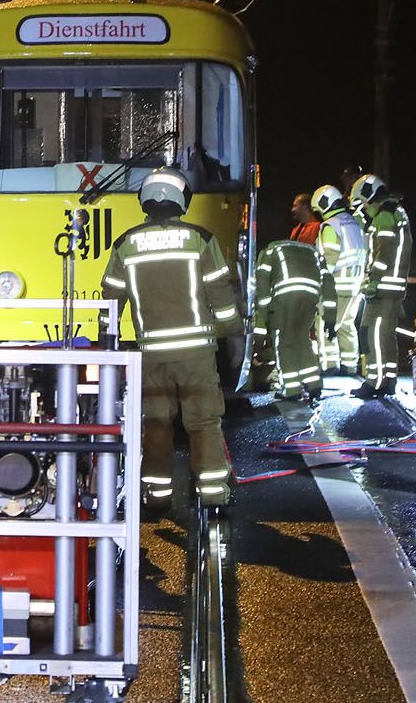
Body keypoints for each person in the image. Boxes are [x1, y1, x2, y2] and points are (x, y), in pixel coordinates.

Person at [101, 167, 241, 509]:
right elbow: (221, 294)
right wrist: (233, 333)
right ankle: (212, 494)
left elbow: (110, 301)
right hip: (196, 354)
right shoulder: (200, 239)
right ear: (182, 199)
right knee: (204, 421)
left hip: (151, 356)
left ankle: (156, 495)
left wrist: (106, 342)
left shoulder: (125, 244)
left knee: (156, 424)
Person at [349, 173, 413, 397]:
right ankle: (389, 379)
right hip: (394, 287)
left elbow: (383, 253)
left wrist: (373, 281)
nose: (363, 209)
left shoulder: (384, 217)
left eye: (363, 203)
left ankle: (374, 382)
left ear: (368, 195)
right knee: (386, 335)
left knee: (371, 334)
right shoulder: (396, 212)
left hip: (383, 287)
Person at [252, 235, 335, 400]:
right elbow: (328, 282)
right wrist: (331, 319)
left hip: (284, 296)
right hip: (311, 295)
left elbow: (261, 286)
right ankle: (314, 385)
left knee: (283, 344)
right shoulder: (312, 251)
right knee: (302, 340)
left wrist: (264, 317)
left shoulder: (268, 251)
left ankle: (291, 390)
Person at [312, 184, 367, 377]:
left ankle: (329, 365)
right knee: (347, 324)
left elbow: (329, 259)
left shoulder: (330, 226)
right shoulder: (354, 223)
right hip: (356, 284)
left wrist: (320, 283)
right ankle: (350, 365)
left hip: (336, 285)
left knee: (325, 323)